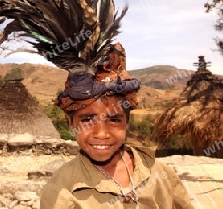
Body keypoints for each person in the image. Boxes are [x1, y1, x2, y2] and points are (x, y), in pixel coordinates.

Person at [40, 44, 194, 209]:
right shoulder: (60, 191)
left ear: (126, 122)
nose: (101, 133)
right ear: (71, 122)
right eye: (87, 120)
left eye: (113, 120)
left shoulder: (162, 175)